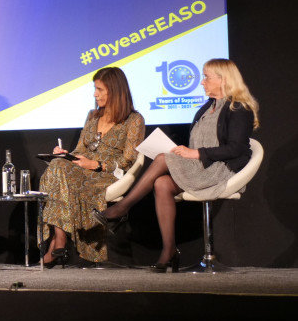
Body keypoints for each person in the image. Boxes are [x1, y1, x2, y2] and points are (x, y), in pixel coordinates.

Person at [94, 59, 259, 272]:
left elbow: (236, 149)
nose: (202, 82)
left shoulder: (238, 108)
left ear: (224, 79)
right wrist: (186, 153)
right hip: (200, 168)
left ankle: (122, 208)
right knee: (162, 183)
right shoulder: (206, 108)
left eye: (207, 77)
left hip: (221, 170)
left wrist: (196, 153)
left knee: (163, 159)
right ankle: (169, 250)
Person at [39, 66, 145, 266]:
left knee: (56, 171)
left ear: (115, 90)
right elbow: (80, 149)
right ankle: (60, 239)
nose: (95, 94)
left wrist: (96, 164)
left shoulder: (134, 120)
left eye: (100, 90)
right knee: (57, 164)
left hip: (107, 174)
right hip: (79, 170)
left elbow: (128, 161)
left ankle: (57, 241)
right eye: (94, 89)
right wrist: (67, 155)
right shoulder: (92, 116)